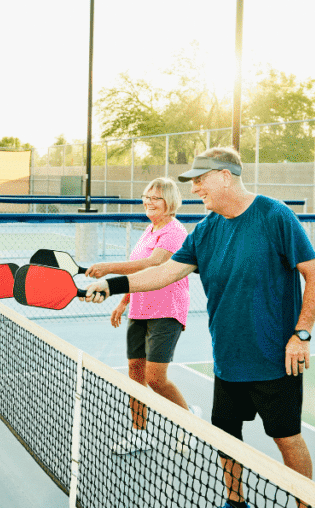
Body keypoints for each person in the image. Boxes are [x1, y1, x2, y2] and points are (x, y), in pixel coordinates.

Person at [84, 148, 315, 508]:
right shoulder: (206, 230)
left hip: (275, 360)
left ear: (225, 176)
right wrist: (114, 285)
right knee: (226, 437)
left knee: (286, 438)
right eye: (193, 181)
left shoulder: (275, 216)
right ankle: (235, 501)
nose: (195, 188)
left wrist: (301, 334)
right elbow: (163, 273)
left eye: (201, 179)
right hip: (227, 359)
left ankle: (306, 504)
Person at [84, 177, 197, 455]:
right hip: (140, 309)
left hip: (167, 310)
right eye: (146, 197)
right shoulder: (149, 229)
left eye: (155, 198)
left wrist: (109, 269)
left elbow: (153, 265)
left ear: (169, 202)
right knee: (135, 371)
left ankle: (190, 422)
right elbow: (139, 275)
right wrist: (123, 302)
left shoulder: (174, 233)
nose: (148, 202)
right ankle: (139, 432)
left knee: (156, 378)